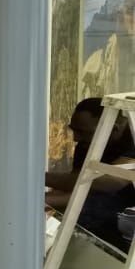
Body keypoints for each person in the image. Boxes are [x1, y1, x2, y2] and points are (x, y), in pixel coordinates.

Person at [45, 97, 135, 246]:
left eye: (82, 132)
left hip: (125, 209)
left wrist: (38, 182)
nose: (76, 138)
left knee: (92, 208)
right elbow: (76, 186)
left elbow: (109, 183)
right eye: (74, 130)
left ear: (114, 128)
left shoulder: (132, 138)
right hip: (103, 203)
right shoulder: (86, 145)